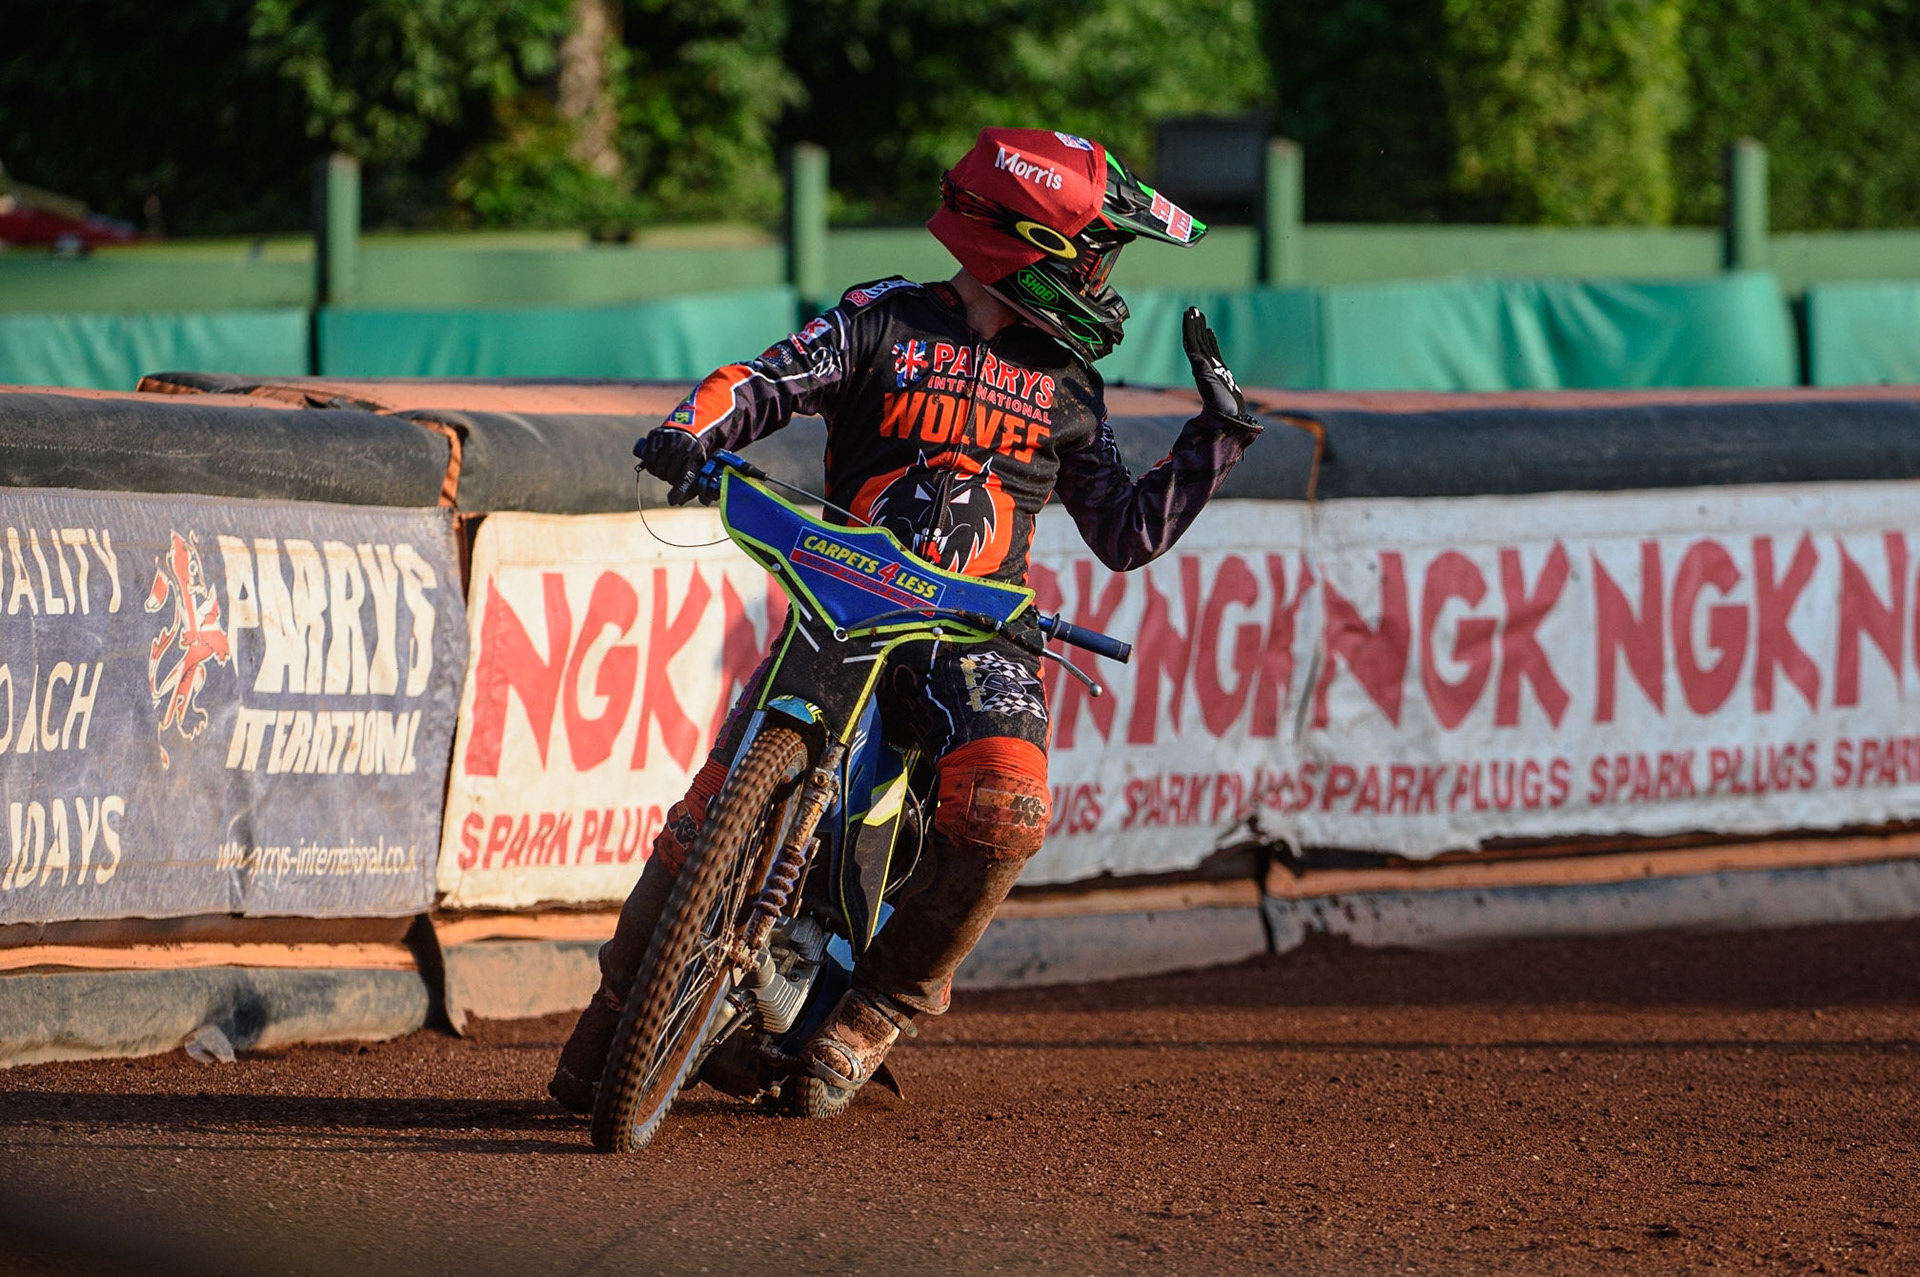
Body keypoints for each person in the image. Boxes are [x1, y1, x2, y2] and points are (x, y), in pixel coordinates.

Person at [550, 126, 1263, 1118]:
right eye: (1099, 253)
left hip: (974, 633)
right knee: (707, 812)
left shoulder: (1069, 385)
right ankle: (618, 1011)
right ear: (1034, 245)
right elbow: (764, 382)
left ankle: (877, 1007)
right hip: (842, 592)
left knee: (1007, 805)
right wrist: (688, 433)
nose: (1107, 280)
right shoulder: (879, 319)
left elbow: (1127, 532)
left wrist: (1216, 437)